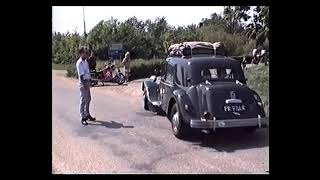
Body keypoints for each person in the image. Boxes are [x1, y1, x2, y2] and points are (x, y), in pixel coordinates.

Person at [76, 47, 96, 125]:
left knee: (89, 99)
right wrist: (84, 85)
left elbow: (88, 72)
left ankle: (87, 114)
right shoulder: (79, 62)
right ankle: (82, 117)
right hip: (83, 82)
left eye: (86, 52)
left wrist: (90, 81)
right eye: (85, 52)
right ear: (81, 53)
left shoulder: (85, 62)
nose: (86, 54)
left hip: (87, 82)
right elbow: (81, 75)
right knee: (83, 100)